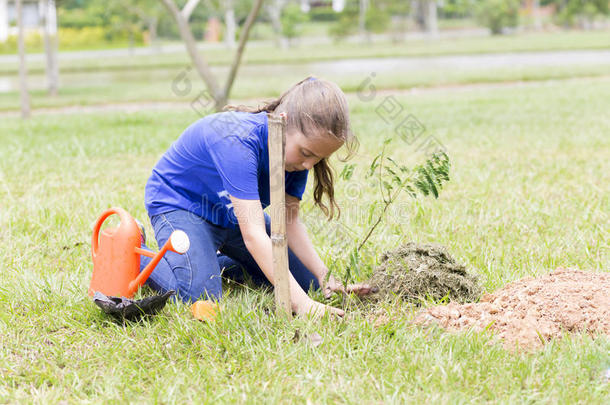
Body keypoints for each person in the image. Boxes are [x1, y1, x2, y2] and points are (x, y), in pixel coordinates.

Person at [139, 76, 371, 317]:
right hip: (183, 206)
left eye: (318, 159)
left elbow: (289, 222)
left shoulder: (294, 160)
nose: (308, 165)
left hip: (232, 215)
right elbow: (253, 235)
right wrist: (302, 305)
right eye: (306, 153)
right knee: (200, 299)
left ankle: (203, 260)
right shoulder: (238, 142)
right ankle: (141, 256)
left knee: (306, 283)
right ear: (283, 123)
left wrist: (325, 277)